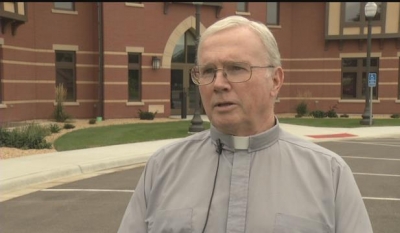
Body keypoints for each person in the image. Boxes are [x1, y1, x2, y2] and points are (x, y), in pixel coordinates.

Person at [118, 15, 373, 233]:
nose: (218, 83)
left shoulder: (329, 175)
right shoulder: (162, 168)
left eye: (236, 68)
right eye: (208, 71)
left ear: (275, 80)